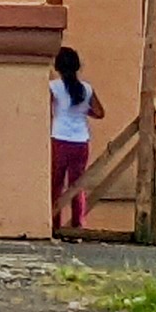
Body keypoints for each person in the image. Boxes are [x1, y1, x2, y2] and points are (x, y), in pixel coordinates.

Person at [47, 48, 99, 235]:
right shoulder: (86, 88)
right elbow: (100, 112)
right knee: (77, 185)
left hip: (59, 138)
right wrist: (84, 111)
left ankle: (55, 225)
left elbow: (46, 109)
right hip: (81, 140)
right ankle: (77, 226)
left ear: (58, 66)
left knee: (56, 184)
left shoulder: (53, 87)